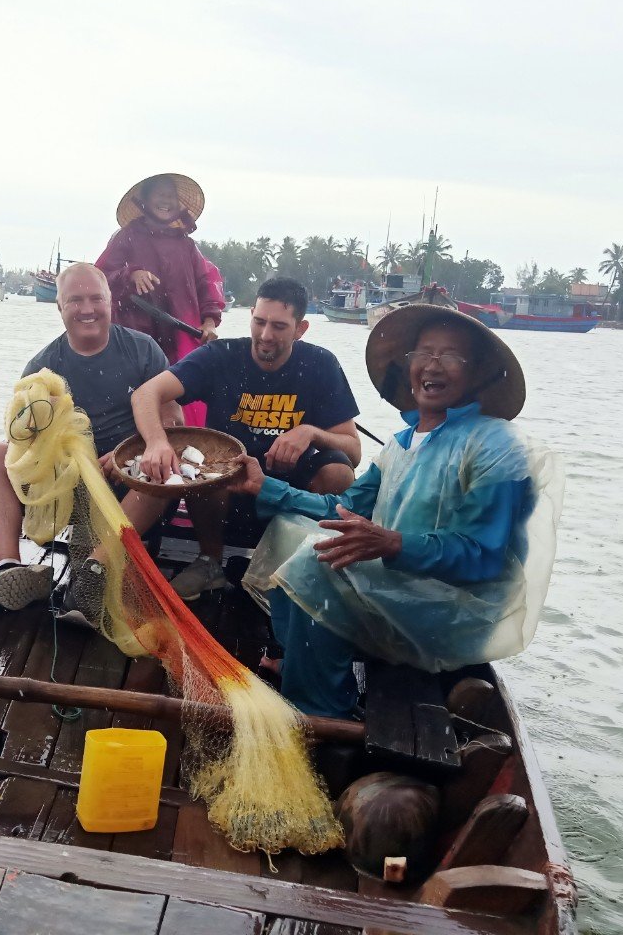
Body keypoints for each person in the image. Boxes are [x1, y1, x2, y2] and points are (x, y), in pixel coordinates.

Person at [234, 305, 562, 718]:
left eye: (451, 356)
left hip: (457, 608)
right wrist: (267, 487)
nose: (433, 366)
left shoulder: (498, 448)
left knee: (314, 564)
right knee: (288, 528)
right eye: (423, 354)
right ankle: (299, 660)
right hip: (402, 583)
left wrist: (391, 543)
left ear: (478, 373)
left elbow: (483, 556)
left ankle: (322, 710)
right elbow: (345, 509)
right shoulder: (403, 442)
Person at [130, 277, 362, 599]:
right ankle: (209, 561)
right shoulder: (220, 355)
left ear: (301, 329)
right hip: (227, 484)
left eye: (280, 326)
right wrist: (156, 442)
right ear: (251, 314)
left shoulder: (321, 364)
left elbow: (354, 451)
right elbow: (146, 394)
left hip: (289, 492)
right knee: (200, 460)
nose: (266, 336)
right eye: (260, 321)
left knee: (338, 472)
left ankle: (296, 566)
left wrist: (310, 433)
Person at [0, 263, 178, 610]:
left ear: (111, 302)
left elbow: (172, 418)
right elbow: (22, 444)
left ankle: (96, 568)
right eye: (75, 300)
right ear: (59, 307)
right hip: (65, 486)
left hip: (127, 480)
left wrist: (133, 453)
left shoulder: (143, 350)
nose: (87, 309)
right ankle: (7, 565)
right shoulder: (42, 366)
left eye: (96, 298)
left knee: (161, 467)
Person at [95, 172, 225, 365]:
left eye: (171, 195)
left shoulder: (186, 245)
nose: (166, 200)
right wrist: (131, 275)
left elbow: (206, 284)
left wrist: (209, 322)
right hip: (134, 336)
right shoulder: (127, 236)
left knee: (180, 387)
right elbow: (98, 278)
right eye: (160, 194)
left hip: (180, 335)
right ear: (144, 200)